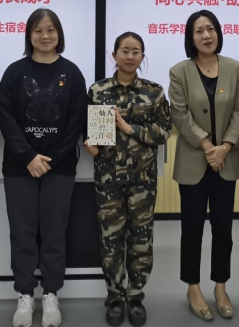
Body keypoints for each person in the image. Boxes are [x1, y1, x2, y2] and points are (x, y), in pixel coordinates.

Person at [0, 8, 87, 327]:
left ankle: (50, 293)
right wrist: (28, 157)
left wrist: (52, 158)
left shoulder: (72, 73)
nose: (45, 36)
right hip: (19, 166)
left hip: (59, 167)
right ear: (29, 35)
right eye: (38, 30)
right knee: (22, 233)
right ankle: (24, 294)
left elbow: (77, 120)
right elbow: (6, 118)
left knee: (53, 232)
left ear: (59, 34)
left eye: (51, 30)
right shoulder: (14, 72)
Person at [83, 32, 172, 327]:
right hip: (108, 178)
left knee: (141, 240)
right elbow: (87, 127)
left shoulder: (154, 92)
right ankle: (114, 297)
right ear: (114, 55)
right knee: (110, 240)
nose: (130, 56)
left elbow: (164, 130)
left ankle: (135, 297)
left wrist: (130, 128)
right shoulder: (97, 90)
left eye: (136, 52)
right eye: (125, 50)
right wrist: (89, 142)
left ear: (142, 57)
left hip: (142, 180)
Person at [168, 9, 239, 322]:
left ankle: (221, 287)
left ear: (218, 33)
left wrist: (224, 147)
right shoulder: (179, 71)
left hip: (226, 161)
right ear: (191, 37)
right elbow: (180, 114)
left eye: (211, 29)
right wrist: (208, 147)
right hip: (194, 162)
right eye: (199, 30)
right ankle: (193, 288)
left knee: (223, 229)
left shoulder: (236, 68)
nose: (206, 35)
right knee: (191, 230)